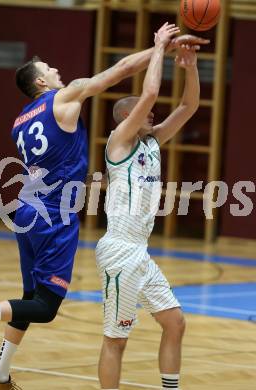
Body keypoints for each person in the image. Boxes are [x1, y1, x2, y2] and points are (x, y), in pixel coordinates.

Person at [0, 23, 207, 389]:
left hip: (29, 209)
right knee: (48, 307)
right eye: (49, 70)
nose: (56, 72)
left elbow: (187, 106)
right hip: (59, 215)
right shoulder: (75, 107)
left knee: (30, 300)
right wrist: (161, 45)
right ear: (41, 84)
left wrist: (184, 59)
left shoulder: (21, 121)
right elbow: (128, 74)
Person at [95, 26, 200, 390]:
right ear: (126, 118)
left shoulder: (151, 144)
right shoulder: (119, 143)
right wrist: (159, 47)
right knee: (116, 339)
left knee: (175, 322)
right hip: (119, 251)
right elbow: (152, 91)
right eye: (143, 113)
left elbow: (189, 107)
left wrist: (189, 66)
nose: (152, 115)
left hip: (140, 253)